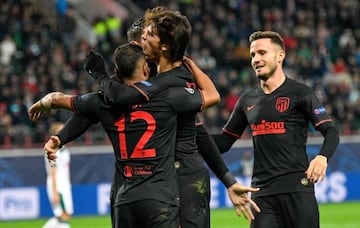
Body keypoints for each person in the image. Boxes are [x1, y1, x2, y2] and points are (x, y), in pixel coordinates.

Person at [89, 7, 260, 226]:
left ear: (164, 46)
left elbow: (201, 126)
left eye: (149, 35)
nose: (142, 40)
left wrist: (98, 75)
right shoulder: (155, 79)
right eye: (142, 37)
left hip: (182, 177)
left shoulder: (167, 85)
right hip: (151, 181)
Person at [212, 30, 340, 228]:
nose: (256, 59)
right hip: (261, 194)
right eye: (253, 54)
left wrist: (322, 157)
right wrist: (190, 133)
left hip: (297, 189)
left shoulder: (300, 92)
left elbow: (331, 131)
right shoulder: (247, 100)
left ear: (280, 56)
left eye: (262, 53)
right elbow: (223, 142)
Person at [42, 122, 73, 228]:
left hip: (65, 185)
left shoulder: (65, 151)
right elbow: (53, 173)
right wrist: (55, 191)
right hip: (58, 186)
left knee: (65, 214)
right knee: (63, 215)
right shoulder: (53, 152)